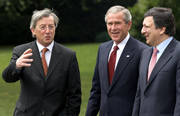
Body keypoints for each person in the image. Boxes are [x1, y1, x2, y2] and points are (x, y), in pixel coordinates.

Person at [2, 8, 81, 116]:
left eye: (51, 26)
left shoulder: (68, 56)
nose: (47, 31)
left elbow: (75, 94)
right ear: (33, 30)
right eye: (43, 27)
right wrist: (16, 65)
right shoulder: (21, 51)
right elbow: (7, 78)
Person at [85, 5, 148, 116]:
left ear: (129, 25)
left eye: (117, 23)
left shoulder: (143, 51)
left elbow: (143, 94)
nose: (113, 28)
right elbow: (96, 90)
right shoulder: (103, 49)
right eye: (110, 24)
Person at [132, 7, 180, 116]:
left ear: (162, 29)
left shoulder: (178, 53)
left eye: (147, 27)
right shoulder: (145, 54)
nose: (142, 31)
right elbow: (139, 95)